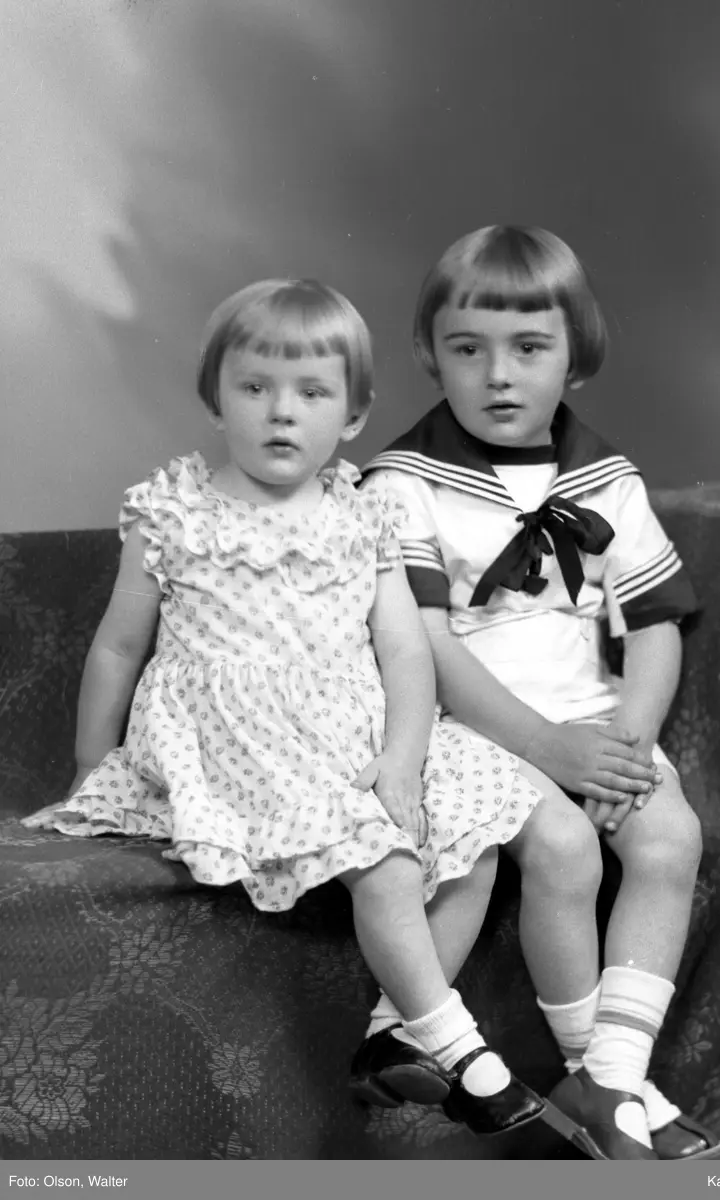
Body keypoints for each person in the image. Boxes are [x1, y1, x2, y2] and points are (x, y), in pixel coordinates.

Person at [22, 278, 554, 1138]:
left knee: (475, 839)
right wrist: (94, 763)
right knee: (386, 863)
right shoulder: (173, 512)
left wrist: (402, 760)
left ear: (352, 416)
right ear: (215, 399)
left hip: (349, 726)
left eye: (311, 393)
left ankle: (391, 1039)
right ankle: (463, 1054)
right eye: (255, 387)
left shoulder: (363, 516)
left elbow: (404, 652)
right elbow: (118, 647)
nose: (281, 412)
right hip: (235, 733)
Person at [359, 225, 720, 1161]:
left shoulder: (606, 478)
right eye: (467, 349)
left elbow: (653, 625)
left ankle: (611, 1076)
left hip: (592, 713)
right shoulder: (403, 482)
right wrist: (545, 747)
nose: (498, 375)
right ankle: (605, 1085)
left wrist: (628, 740)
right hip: (467, 722)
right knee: (565, 849)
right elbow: (427, 643)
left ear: (576, 355)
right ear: (427, 354)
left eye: (528, 348)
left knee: (669, 835)